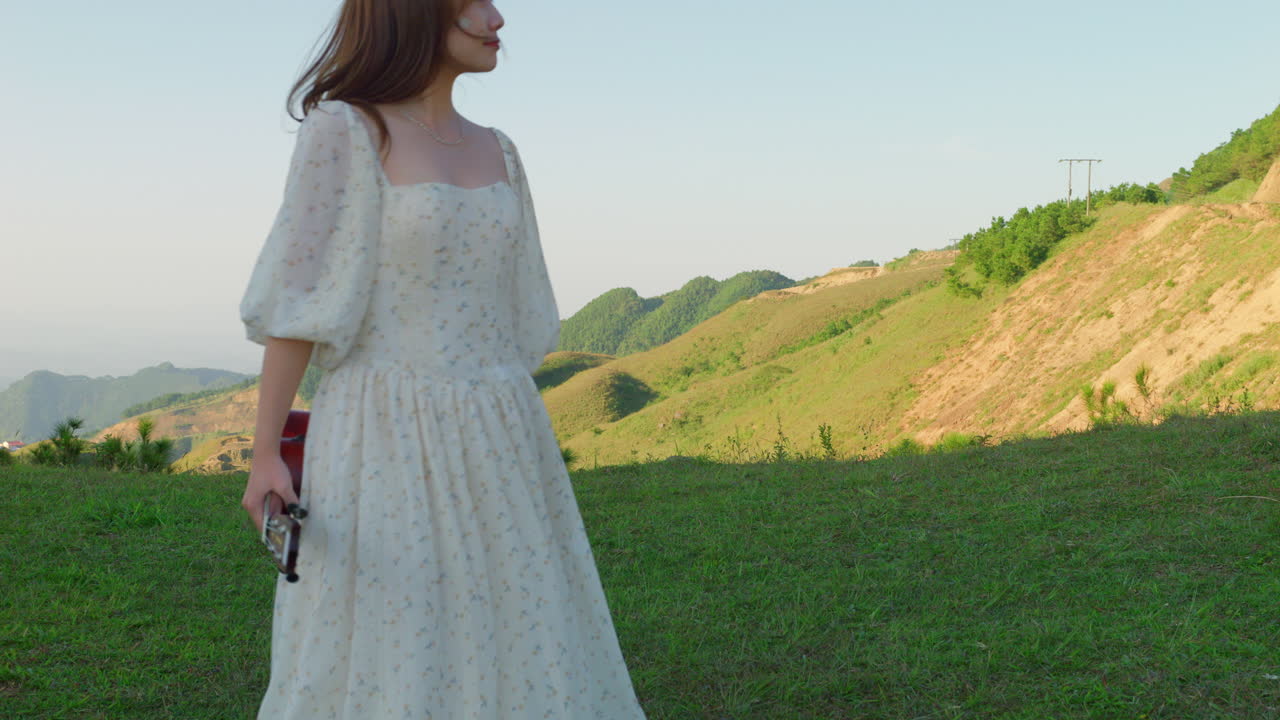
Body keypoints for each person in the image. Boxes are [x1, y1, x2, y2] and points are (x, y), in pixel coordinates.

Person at [237, 1, 649, 717]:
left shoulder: (501, 149)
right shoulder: (348, 130)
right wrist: (266, 452)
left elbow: (514, 309)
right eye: (474, 2)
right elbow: (300, 299)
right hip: (383, 431)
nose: (497, 18)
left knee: (520, 618)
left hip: (501, 424)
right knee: (400, 628)